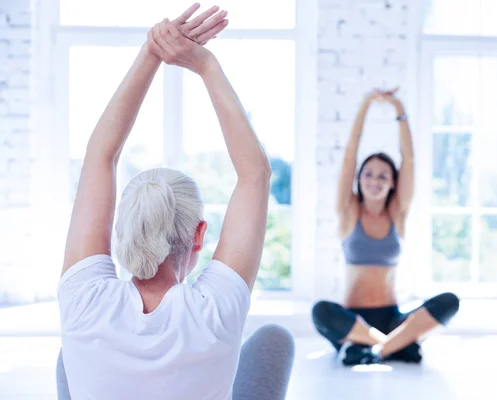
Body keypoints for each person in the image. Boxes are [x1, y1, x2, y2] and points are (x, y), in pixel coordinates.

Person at [55, 5, 294, 399]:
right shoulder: (215, 311)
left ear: (120, 228)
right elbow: (255, 174)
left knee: (71, 355)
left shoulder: (83, 301)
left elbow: (101, 154)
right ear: (200, 234)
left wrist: (152, 51)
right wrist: (207, 66)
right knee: (274, 339)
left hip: (91, 340)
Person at [311, 88, 460, 365]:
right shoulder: (348, 212)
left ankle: (370, 349)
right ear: (359, 179)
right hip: (352, 320)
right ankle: (393, 346)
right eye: (368, 174)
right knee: (320, 311)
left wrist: (398, 109)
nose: (375, 180)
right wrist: (366, 103)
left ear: (393, 182)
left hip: (393, 317)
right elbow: (348, 158)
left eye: (383, 175)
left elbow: (410, 160)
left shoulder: (398, 214)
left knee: (449, 301)